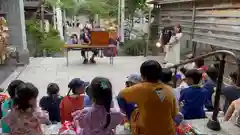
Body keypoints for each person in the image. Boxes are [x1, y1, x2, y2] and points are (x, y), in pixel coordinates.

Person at [118, 60, 178, 135]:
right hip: (169, 131)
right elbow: (174, 113)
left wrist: (130, 115)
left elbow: (120, 96)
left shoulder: (139, 89)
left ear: (143, 76)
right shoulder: (168, 90)